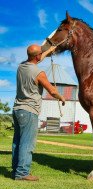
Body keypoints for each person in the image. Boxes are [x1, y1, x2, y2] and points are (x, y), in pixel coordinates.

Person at [12, 44, 65, 181]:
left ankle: (16, 171)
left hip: (17, 109)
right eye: (40, 53)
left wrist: (48, 51)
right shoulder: (39, 73)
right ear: (37, 56)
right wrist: (61, 97)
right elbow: (52, 91)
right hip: (29, 111)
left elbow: (36, 60)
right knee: (27, 143)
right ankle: (22, 173)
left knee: (17, 142)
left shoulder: (21, 67)